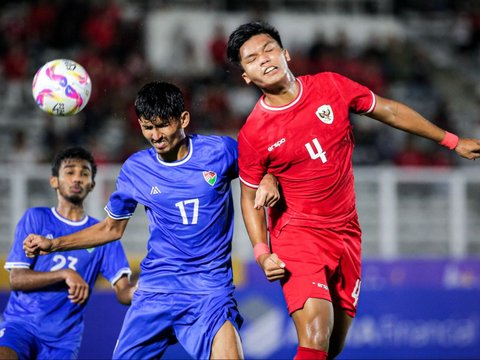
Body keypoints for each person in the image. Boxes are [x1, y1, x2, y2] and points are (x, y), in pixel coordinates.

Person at [226, 21, 480, 360]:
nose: (264, 59)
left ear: (285, 53)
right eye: (252, 58)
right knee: (315, 332)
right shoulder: (255, 133)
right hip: (298, 235)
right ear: (246, 76)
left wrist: (451, 140)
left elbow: (388, 109)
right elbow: (249, 196)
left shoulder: (330, 86)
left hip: (346, 233)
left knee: (331, 348)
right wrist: (261, 251)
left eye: (269, 49)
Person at [23, 81, 279, 359]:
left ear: (184, 119)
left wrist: (269, 177)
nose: (155, 135)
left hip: (209, 289)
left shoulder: (220, 152)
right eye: (147, 127)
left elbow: (265, 164)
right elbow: (111, 229)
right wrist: (54, 243)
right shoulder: (136, 169)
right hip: (156, 288)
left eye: (162, 125)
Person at [0, 146, 135, 360]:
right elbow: (16, 279)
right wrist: (64, 273)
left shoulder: (102, 235)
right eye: (70, 172)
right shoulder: (36, 218)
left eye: (84, 173)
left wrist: (140, 291)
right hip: (20, 325)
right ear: (54, 181)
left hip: (63, 339)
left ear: (91, 184)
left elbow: (123, 291)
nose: (77, 179)